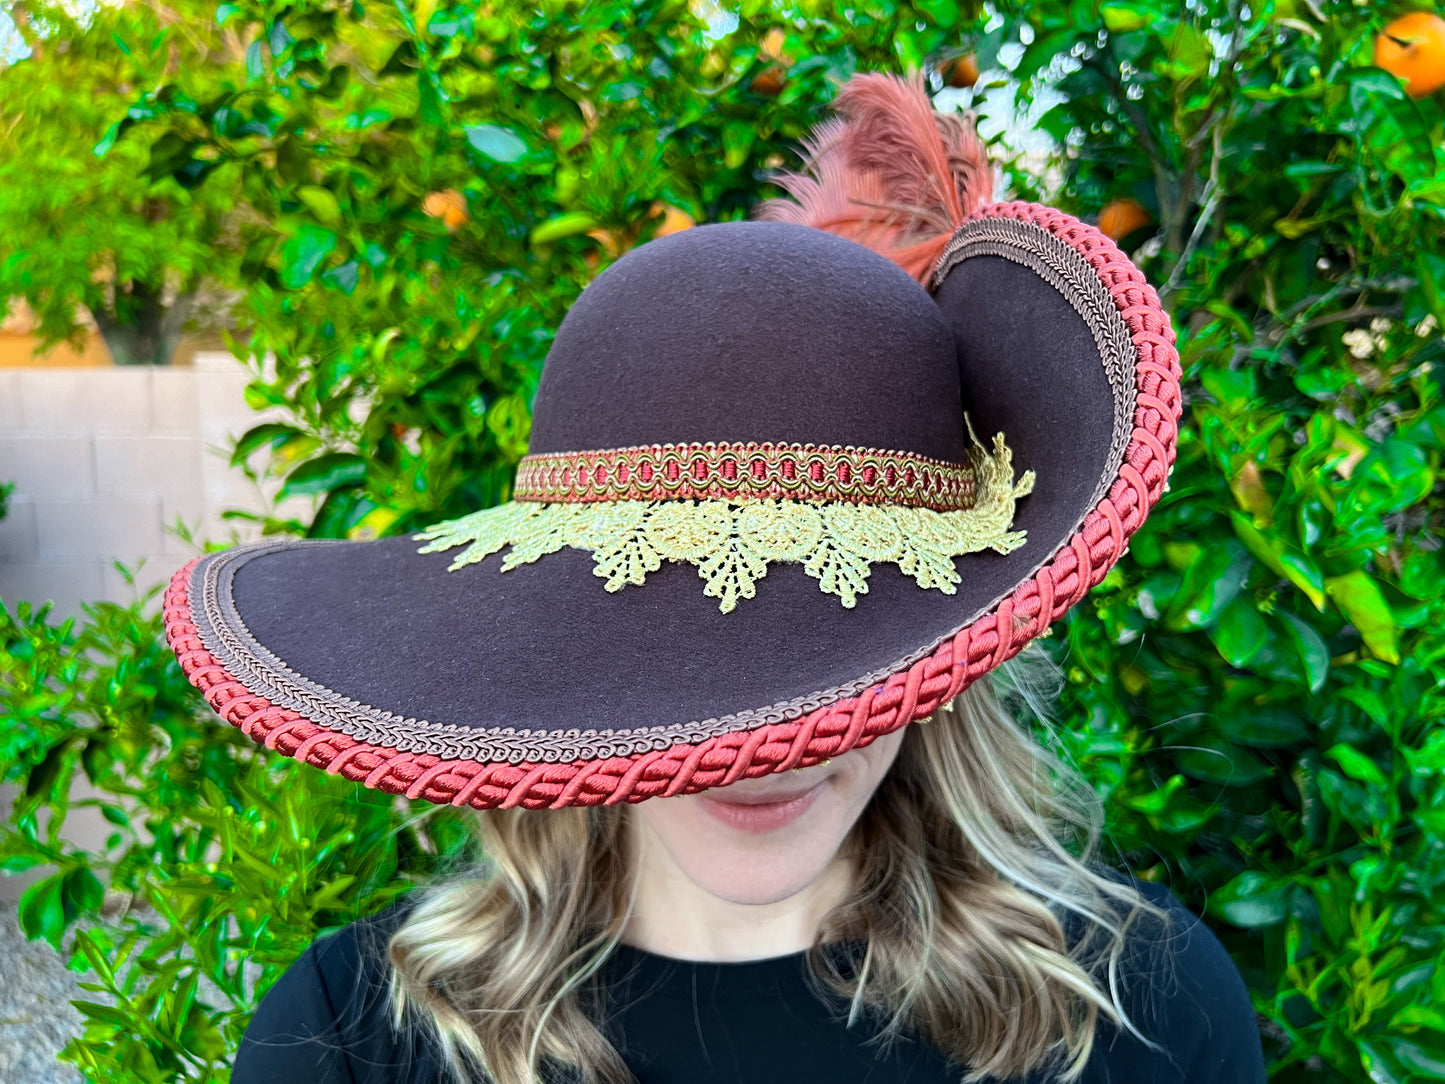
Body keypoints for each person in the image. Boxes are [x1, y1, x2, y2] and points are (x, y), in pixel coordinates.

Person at [164, 73, 1268, 1083]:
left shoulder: (1141, 1011)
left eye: (831, 648)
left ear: (941, 646)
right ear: (552, 627)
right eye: (671, 646)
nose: (761, 744)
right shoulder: (359, 1034)